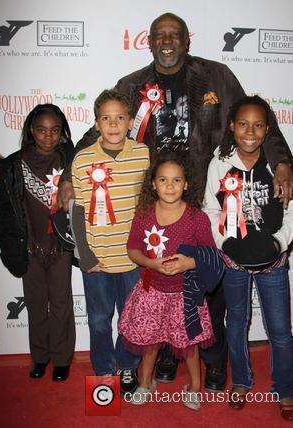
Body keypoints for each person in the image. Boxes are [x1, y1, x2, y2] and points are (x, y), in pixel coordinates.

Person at [59, 12, 293, 391]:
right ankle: (167, 353)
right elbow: (97, 132)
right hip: (154, 202)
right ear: (149, 42)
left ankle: (214, 361)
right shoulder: (133, 85)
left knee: (206, 283)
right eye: (159, 35)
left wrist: (282, 161)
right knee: (159, 280)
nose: (167, 41)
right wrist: (69, 176)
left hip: (207, 199)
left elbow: (256, 119)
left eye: (175, 34)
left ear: (187, 40)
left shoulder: (217, 76)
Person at [203, 95, 293, 421]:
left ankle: (285, 387)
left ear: (267, 129)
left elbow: (291, 210)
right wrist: (224, 244)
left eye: (257, 125)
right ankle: (241, 380)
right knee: (236, 323)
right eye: (243, 124)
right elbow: (211, 209)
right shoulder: (219, 163)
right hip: (234, 263)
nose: (250, 131)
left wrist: (278, 243)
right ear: (231, 126)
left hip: (273, 264)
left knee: (280, 330)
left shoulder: (279, 166)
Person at [119, 151, 216, 409]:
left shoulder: (197, 218)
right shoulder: (143, 215)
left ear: (186, 184)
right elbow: (132, 249)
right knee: (150, 342)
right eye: (163, 180)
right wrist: (150, 263)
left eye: (176, 180)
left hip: (186, 296)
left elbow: (210, 254)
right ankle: (145, 382)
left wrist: (188, 263)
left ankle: (195, 387)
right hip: (152, 292)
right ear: (152, 183)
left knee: (190, 346)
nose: (170, 186)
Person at [71, 89, 149, 395]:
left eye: (119, 118)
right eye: (106, 118)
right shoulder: (83, 159)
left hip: (133, 258)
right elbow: (77, 213)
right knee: (100, 319)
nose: (113, 124)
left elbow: (149, 203)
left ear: (130, 122)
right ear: (96, 123)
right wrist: (85, 256)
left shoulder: (142, 154)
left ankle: (127, 366)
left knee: (131, 319)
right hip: (98, 260)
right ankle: (104, 369)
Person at [0, 104, 76, 382]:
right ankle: (40, 357)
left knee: (62, 303)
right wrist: (10, 252)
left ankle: (63, 359)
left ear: (62, 133)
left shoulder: (69, 159)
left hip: (61, 247)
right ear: (31, 130)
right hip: (29, 248)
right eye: (41, 130)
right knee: (35, 303)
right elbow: (5, 213)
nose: (48, 136)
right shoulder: (12, 166)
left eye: (55, 130)